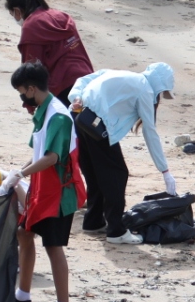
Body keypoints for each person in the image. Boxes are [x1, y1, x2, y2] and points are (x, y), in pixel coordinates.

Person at [68, 62, 179, 245]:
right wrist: (165, 170)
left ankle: (93, 221)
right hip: (98, 126)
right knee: (117, 174)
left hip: (80, 117)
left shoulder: (121, 73)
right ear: (160, 85)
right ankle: (116, 231)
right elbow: (150, 131)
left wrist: (75, 98)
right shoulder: (145, 90)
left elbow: (83, 80)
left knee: (95, 173)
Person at [10, 63, 83, 302]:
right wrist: (20, 173)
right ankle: (22, 296)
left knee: (53, 246)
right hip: (43, 188)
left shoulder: (58, 117)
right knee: (24, 232)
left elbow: (51, 157)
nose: (22, 98)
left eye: (22, 92)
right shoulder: (43, 111)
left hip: (59, 192)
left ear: (31, 89)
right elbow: (38, 153)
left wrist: (20, 174)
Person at [5, 0, 94, 101]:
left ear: (17, 11)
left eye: (12, 14)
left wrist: (31, 104)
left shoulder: (31, 27)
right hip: (87, 78)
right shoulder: (60, 15)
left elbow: (31, 70)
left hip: (62, 85)